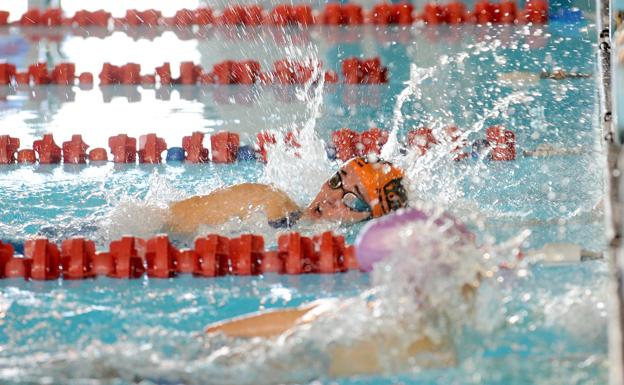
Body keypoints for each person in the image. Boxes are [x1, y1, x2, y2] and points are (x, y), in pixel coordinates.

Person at [165, 156, 408, 236]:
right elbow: (165, 220)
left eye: (352, 200)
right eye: (335, 181)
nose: (331, 198)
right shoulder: (265, 200)